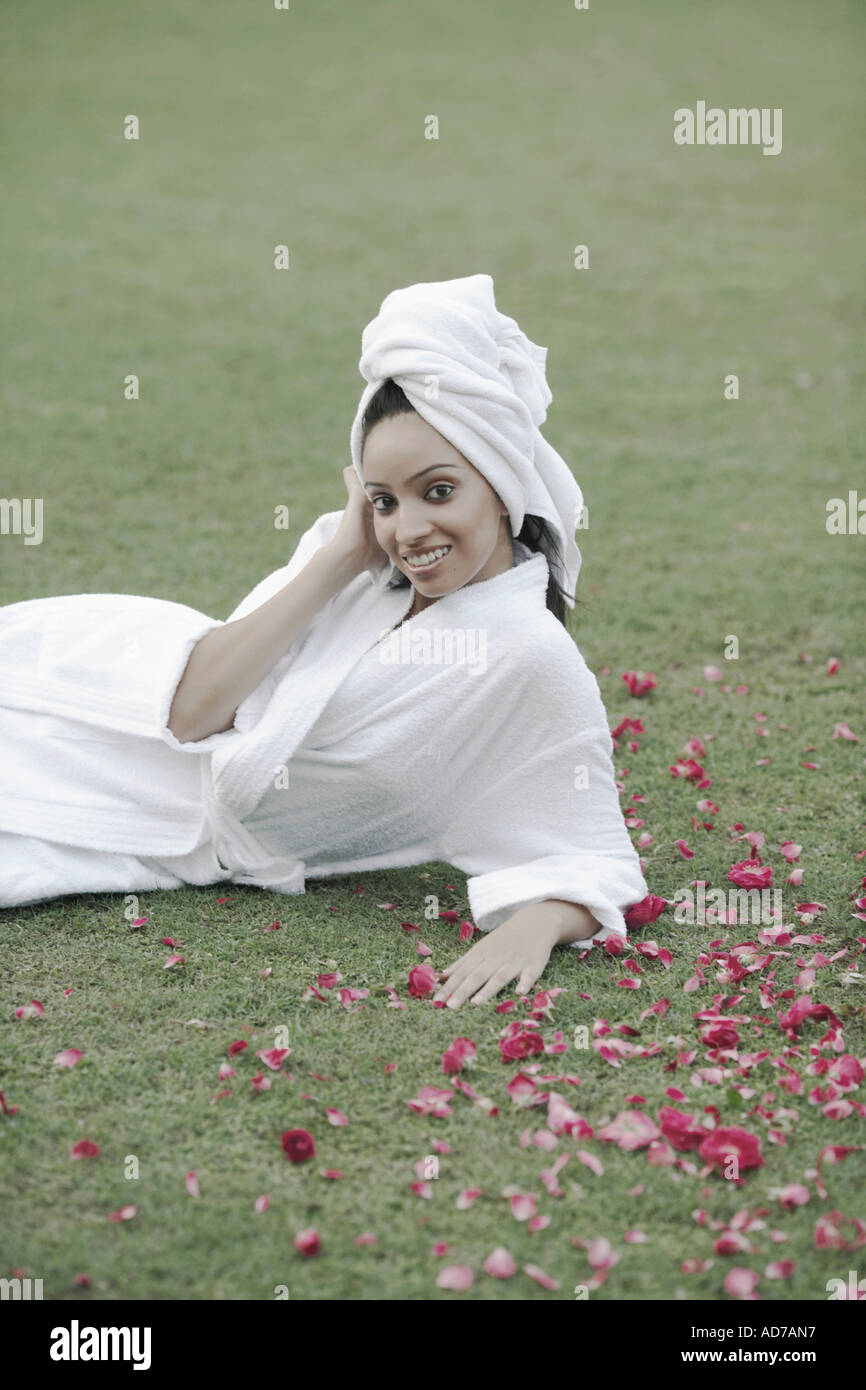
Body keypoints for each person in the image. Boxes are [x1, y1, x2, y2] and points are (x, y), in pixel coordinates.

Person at [0, 274, 648, 1007]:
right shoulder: (348, 561)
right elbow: (189, 714)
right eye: (384, 500)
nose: (407, 531)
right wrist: (340, 556)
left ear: (500, 485)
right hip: (123, 685)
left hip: (159, 821)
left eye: (439, 491)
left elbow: (594, 850)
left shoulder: (526, 654)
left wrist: (539, 924)